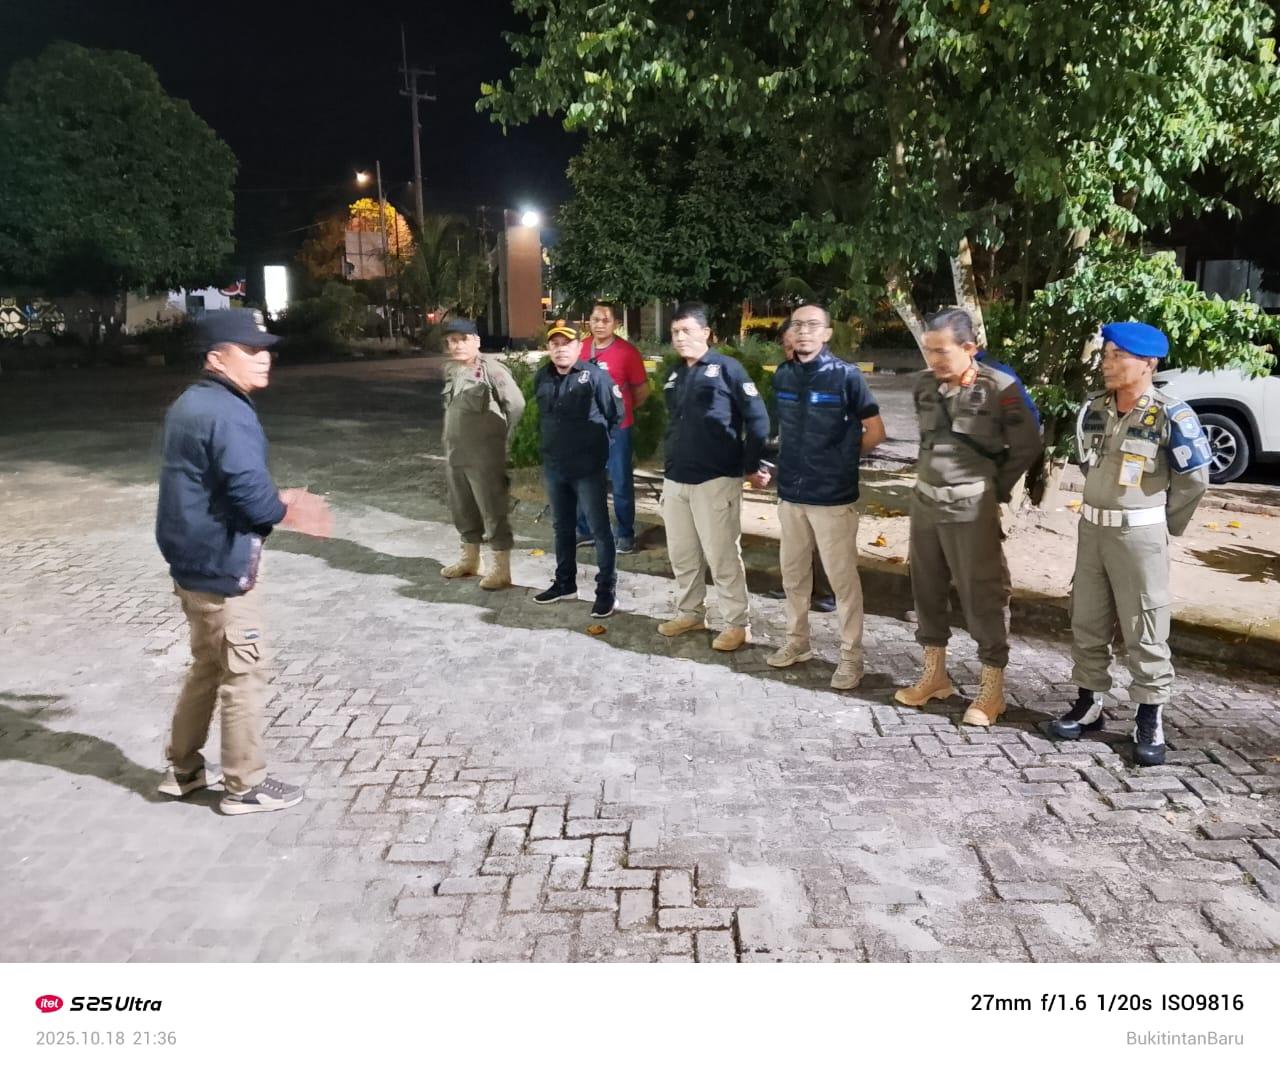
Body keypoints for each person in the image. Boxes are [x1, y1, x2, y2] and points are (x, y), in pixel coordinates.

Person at [155, 309, 332, 815]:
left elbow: (218, 481)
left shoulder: (191, 402)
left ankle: (183, 770)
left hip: (192, 562)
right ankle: (243, 785)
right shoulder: (228, 412)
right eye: (250, 350)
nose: (264, 358)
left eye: (265, 349)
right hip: (224, 564)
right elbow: (252, 500)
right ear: (216, 358)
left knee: (208, 667)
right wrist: (285, 507)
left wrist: (275, 499)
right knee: (244, 672)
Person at [1048, 322, 1210, 765]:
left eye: (1118, 356)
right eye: (1107, 355)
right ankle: (1089, 702)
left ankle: (1149, 715)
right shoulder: (1094, 408)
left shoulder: (1172, 415)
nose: (1108, 363)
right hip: (1092, 531)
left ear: (1148, 363)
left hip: (1139, 536)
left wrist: (1160, 523)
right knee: (1087, 617)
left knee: (1146, 624)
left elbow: (1194, 480)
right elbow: (1090, 463)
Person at [894, 307, 1042, 725]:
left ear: (969, 348)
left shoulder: (1000, 387)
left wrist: (993, 488)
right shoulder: (924, 385)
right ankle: (934, 676)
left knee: (982, 596)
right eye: (929, 351)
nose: (934, 360)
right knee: (926, 590)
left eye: (942, 351)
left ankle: (991, 690)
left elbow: (1028, 445)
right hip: (925, 505)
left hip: (970, 508)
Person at [756, 304, 886, 689]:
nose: (804, 331)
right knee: (794, 576)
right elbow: (778, 432)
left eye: (813, 325)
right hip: (791, 494)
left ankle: (851, 658)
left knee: (842, 581)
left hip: (832, 496)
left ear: (827, 333)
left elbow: (876, 431)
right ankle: (797, 643)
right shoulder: (783, 375)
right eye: (798, 325)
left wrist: (841, 460)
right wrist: (768, 466)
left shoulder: (846, 377)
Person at [658, 301, 770, 652]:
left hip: (716, 480)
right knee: (683, 555)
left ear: (706, 332)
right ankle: (690, 613)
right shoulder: (675, 373)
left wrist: (750, 465)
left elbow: (759, 420)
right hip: (677, 479)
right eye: (675, 332)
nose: (680, 337)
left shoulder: (727, 369)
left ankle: (737, 624)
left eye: (686, 330)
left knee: (722, 557)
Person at [532, 320, 621, 616]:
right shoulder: (542, 377)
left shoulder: (595, 376)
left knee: (599, 529)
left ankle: (606, 591)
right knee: (562, 528)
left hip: (587, 469)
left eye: (566, 344)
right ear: (548, 348)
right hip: (555, 467)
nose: (560, 349)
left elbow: (615, 415)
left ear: (579, 346)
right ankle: (565, 583)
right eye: (554, 344)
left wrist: (596, 451)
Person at [438, 317, 526, 590]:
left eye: (462, 339)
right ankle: (470, 559)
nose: (456, 345)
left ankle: (500, 568)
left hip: (485, 456)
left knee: (492, 509)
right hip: (456, 454)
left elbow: (516, 405)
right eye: (452, 341)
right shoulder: (453, 370)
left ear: (476, 341)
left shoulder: (492, 370)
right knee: (462, 507)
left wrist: (503, 440)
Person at [763, 318, 837, 613]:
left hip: (824, 471)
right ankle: (796, 586)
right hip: (791, 468)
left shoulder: (834, 375)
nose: (791, 350)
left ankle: (826, 593)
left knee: (822, 534)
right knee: (794, 534)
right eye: (786, 345)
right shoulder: (785, 375)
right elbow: (775, 423)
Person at [573, 301, 650, 553]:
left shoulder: (627, 352)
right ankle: (586, 530)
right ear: (589, 321)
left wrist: (621, 410)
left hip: (618, 430)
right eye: (595, 319)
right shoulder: (580, 348)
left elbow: (642, 391)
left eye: (606, 320)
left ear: (616, 323)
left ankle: (625, 534)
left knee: (620, 483)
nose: (600, 324)